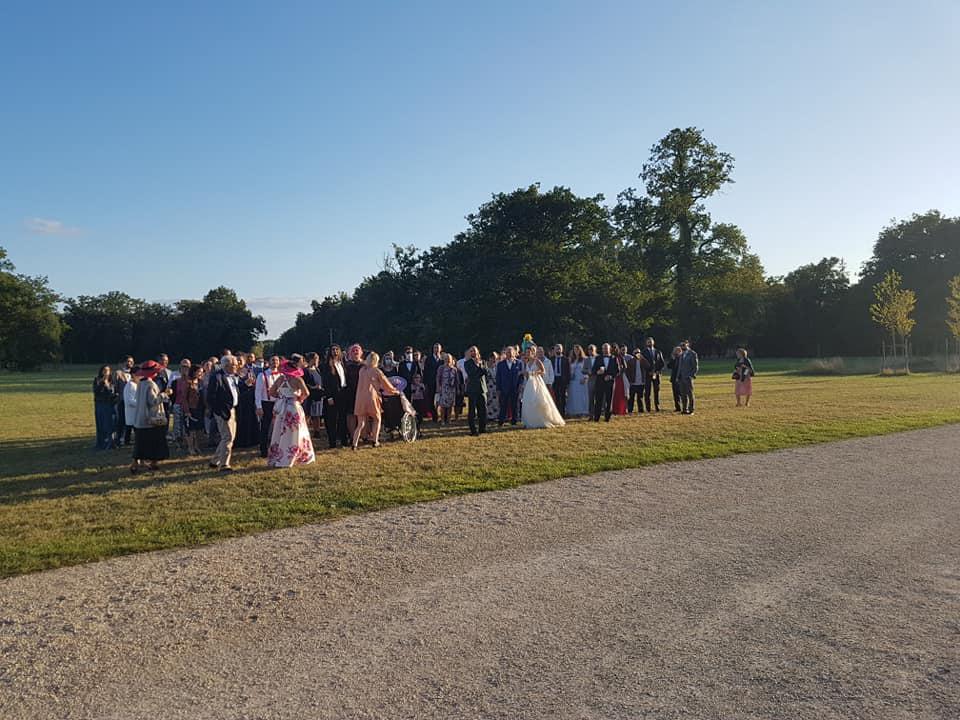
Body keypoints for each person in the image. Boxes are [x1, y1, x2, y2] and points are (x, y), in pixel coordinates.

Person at [267, 360, 316, 466]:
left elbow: (271, 392)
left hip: (281, 408)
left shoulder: (280, 379)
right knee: (296, 432)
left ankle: (279, 456)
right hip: (293, 407)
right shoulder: (297, 379)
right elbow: (306, 392)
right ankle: (294, 454)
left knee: (280, 431)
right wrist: (300, 398)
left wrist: (280, 397)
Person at [351, 352, 400, 449]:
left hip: (360, 399)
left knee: (360, 423)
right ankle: (375, 440)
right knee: (377, 419)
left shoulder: (362, 370)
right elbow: (385, 383)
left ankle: (354, 444)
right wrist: (395, 391)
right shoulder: (376, 371)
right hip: (371, 398)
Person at [130, 360, 169, 473]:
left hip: (140, 419)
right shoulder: (150, 384)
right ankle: (153, 462)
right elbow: (153, 401)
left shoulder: (140, 383)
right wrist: (165, 394)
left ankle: (135, 464)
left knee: (140, 444)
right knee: (154, 442)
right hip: (150, 420)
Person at [206, 354, 240, 472]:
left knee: (230, 437)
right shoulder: (217, 377)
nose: (236, 367)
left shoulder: (233, 376)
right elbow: (210, 397)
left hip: (232, 409)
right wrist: (219, 411)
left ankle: (215, 461)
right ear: (226, 365)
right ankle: (224, 464)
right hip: (222, 411)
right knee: (227, 437)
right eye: (234, 365)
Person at [520, 346, 565, 429]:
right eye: (526, 352)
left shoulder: (537, 361)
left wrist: (534, 372)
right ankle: (530, 421)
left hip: (537, 382)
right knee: (529, 401)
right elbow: (527, 375)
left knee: (538, 401)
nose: (527, 354)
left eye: (529, 352)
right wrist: (526, 374)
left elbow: (543, 371)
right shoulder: (527, 362)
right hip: (529, 384)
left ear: (533, 352)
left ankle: (541, 420)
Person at [320, 345, 349, 449]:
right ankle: (332, 443)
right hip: (332, 395)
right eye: (333, 350)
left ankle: (344, 441)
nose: (335, 351)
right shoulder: (326, 366)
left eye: (337, 349)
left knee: (342, 418)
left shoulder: (342, 363)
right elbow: (325, 382)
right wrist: (329, 397)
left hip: (343, 393)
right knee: (332, 420)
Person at [255, 355, 281, 457]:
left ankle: (278, 448)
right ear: (269, 362)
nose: (275, 362)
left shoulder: (281, 375)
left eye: (277, 360)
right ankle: (264, 450)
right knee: (265, 427)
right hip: (266, 403)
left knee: (278, 426)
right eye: (273, 360)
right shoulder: (262, 375)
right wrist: (259, 406)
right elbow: (258, 392)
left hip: (279, 403)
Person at [234, 356, 260, 449]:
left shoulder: (249, 371)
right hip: (239, 399)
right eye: (237, 360)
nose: (239, 362)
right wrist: (245, 384)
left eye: (241, 360)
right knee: (240, 420)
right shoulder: (233, 373)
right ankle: (240, 441)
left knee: (250, 419)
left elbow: (254, 382)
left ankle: (251, 440)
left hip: (249, 399)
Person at [463, 346, 488, 435]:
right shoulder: (467, 363)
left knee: (483, 410)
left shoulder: (483, 362)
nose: (473, 352)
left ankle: (482, 428)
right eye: (471, 351)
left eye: (474, 351)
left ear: (477, 352)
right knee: (472, 411)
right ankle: (473, 430)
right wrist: (478, 367)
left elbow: (486, 372)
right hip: (472, 390)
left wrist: (479, 365)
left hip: (482, 389)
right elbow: (472, 374)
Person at [496, 346, 522, 426]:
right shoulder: (500, 364)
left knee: (515, 405)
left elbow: (521, 376)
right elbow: (498, 377)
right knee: (503, 405)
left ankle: (514, 421)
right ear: (505, 353)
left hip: (515, 387)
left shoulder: (519, 363)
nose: (509, 354)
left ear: (514, 353)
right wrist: (498, 388)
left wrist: (520, 385)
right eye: (508, 352)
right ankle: (501, 421)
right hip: (504, 388)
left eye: (511, 352)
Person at [591, 343, 618, 422]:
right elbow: (593, 370)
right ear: (602, 349)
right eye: (604, 348)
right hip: (600, 382)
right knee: (598, 400)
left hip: (610, 383)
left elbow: (617, 371)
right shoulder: (598, 358)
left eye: (606, 348)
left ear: (610, 349)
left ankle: (607, 418)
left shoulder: (614, 358)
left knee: (609, 400)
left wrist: (611, 376)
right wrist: (597, 372)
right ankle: (596, 418)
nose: (605, 350)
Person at [183, 365, 206, 456]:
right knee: (191, 430)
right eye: (199, 372)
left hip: (200, 408)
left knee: (198, 429)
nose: (201, 373)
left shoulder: (201, 382)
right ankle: (190, 447)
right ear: (194, 372)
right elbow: (184, 398)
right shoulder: (188, 383)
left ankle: (197, 446)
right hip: (191, 408)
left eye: (202, 372)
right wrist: (187, 411)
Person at [343, 344, 365, 441]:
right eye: (353, 351)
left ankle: (363, 435)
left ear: (361, 352)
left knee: (363, 414)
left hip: (363, 392)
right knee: (351, 414)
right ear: (350, 353)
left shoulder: (365, 365)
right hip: (350, 393)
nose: (355, 352)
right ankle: (353, 436)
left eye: (357, 350)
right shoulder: (346, 366)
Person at [92, 365, 116, 450]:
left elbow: (112, 393)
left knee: (108, 424)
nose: (106, 372)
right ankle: (100, 442)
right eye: (104, 370)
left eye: (108, 370)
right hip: (99, 404)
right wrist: (102, 383)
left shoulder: (112, 381)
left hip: (108, 404)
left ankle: (110, 442)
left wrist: (107, 385)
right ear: (101, 371)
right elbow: (96, 392)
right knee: (100, 423)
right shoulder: (97, 380)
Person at [303, 352, 325, 437]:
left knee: (317, 414)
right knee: (308, 414)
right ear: (311, 359)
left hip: (318, 395)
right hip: (310, 395)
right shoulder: (305, 370)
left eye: (317, 359)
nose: (317, 360)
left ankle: (317, 431)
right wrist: (313, 387)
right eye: (315, 359)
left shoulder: (317, 369)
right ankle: (305, 431)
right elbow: (303, 383)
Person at [641, 337, 666, 412]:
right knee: (647, 392)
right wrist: (648, 371)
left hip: (656, 374)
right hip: (647, 375)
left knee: (656, 391)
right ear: (646, 343)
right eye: (648, 342)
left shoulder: (658, 352)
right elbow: (642, 364)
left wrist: (658, 371)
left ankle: (657, 407)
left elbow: (662, 363)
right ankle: (648, 408)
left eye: (651, 342)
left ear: (653, 342)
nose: (650, 343)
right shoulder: (643, 352)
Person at [435, 352, 460, 424]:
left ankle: (449, 419)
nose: (448, 360)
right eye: (446, 358)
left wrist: (458, 389)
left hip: (451, 389)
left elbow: (457, 380)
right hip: (443, 388)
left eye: (449, 359)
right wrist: (438, 387)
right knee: (443, 406)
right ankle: (442, 420)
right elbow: (438, 378)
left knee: (450, 405)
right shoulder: (441, 368)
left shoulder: (454, 369)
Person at [113, 358, 133, 446]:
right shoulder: (118, 373)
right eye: (129, 361)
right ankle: (119, 438)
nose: (131, 363)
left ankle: (126, 438)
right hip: (121, 400)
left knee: (130, 420)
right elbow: (115, 387)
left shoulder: (133, 373)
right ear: (124, 362)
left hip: (131, 401)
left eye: (132, 361)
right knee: (121, 420)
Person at [566, 345, 590, 417]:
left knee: (582, 396)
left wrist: (585, 378)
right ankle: (574, 412)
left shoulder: (585, 359)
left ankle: (583, 411)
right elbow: (569, 370)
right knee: (573, 396)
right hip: (573, 380)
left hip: (582, 380)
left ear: (580, 350)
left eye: (577, 350)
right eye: (575, 350)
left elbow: (588, 370)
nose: (576, 351)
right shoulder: (571, 360)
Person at [677, 340, 699, 415]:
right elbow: (680, 366)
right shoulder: (681, 354)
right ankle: (684, 409)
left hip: (688, 377)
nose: (682, 346)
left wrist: (692, 375)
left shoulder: (692, 354)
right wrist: (678, 376)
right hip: (681, 377)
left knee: (690, 394)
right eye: (681, 345)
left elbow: (695, 366)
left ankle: (691, 409)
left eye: (684, 345)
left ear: (687, 344)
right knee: (683, 394)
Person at [423, 343, 443, 423]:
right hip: (431, 383)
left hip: (441, 383)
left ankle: (443, 416)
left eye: (438, 348)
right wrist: (425, 383)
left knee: (441, 400)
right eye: (435, 348)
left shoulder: (442, 359)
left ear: (441, 349)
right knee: (431, 400)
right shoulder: (428, 359)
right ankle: (435, 416)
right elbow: (425, 372)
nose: (436, 349)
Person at [625, 348, 649, 414]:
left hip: (641, 382)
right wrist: (629, 380)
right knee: (631, 397)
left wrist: (643, 359)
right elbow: (627, 371)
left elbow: (648, 366)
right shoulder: (630, 361)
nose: (637, 354)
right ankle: (630, 410)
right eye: (636, 353)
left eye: (638, 352)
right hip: (633, 383)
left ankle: (640, 410)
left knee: (640, 397)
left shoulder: (642, 361)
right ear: (633, 354)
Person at [550, 343, 571, 417]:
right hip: (554, 379)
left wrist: (567, 382)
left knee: (563, 396)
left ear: (562, 350)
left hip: (563, 380)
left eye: (559, 348)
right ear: (554, 350)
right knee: (556, 396)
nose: (558, 350)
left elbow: (568, 371)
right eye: (556, 349)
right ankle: (557, 413)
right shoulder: (551, 359)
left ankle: (563, 413)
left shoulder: (565, 359)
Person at [122, 368, 140, 446]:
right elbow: (130, 400)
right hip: (132, 410)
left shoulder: (135, 385)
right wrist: (140, 404)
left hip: (134, 411)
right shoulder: (131, 385)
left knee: (131, 427)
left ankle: (128, 441)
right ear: (133, 375)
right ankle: (127, 441)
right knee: (132, 427)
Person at [666, 346, 684, 412]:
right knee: (675, 394)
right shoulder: (674, 358)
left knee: (681, 393)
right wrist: (672, 359)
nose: (676, 352)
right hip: (674, 378)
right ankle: (677, 407)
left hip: (681, 378)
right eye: (675, 351)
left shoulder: (683, 358)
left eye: (678, 351)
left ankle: (685, 406)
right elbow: (668, 366)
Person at [612, 345, 628, 416]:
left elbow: (625, 366)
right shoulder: (610, 357)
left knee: (620, 394)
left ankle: (620, 409)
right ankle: (612, 409)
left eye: (615, 348)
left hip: (619, 378)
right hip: (611, 377)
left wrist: (620, 372)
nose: (614, 350)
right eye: (613, 348)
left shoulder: (620, 357)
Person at [484, 351, 500, 422]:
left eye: (495, 358)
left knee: (496, 401)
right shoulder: (486, 366)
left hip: (495, 386)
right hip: (488, 386)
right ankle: (488, 415)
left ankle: (495, 415)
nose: (494, 359)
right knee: (488, 401)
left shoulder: (497, 367)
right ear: (490, 358)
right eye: (492, 358)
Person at [585, 344, 598, 418]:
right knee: (591, 398)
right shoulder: (586, 359)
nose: (590, 351)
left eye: (592, 350)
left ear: (595, 350)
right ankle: (591, 415)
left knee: (599, 398)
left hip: (598, 380)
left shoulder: (599, 358)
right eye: (589, 350)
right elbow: (583, 370)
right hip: (590, 381)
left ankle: (598, 414)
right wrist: (588, 371)